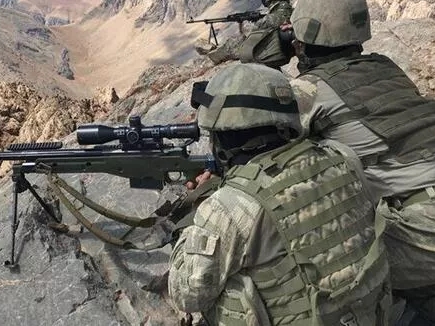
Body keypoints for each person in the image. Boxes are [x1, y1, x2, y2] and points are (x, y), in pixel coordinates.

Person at [285, 0, 435, 325]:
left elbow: (269, 149)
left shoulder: (308, 90)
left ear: (300, 41)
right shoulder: (386, 67)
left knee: (313, 270)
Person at [168, 63, 391, 325]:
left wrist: (201, 213)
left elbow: (186, 295)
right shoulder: (341, 156)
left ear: (221, 134)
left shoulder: (229, 207)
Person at [197, 0, 294, 67]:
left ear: (272, 3)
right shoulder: (294, 13)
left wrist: (247, 23)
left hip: (268, 51)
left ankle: (213, 56)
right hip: (283, 50)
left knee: (232, 43)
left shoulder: (271, 18)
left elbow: (252, 32)